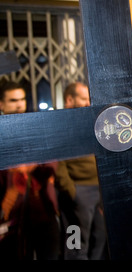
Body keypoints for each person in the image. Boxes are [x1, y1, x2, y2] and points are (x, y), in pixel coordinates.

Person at [0, 81, 60, 260]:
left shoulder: (36, 127)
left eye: (22, 99)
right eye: (13, 100)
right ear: (1, 104)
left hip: (43, 210)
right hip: (10, 215)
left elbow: (51, 161)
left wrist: (29, 164)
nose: (19, 104)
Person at [55, 82, 108, 260]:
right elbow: (57, 162)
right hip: (78, 191)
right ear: (70, 99)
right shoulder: (60, 125)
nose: (88, 103)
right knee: (76, 243)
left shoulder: (90, 121)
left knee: (100, 237)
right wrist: (72, 191)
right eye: (84, 99)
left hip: (96, 191)